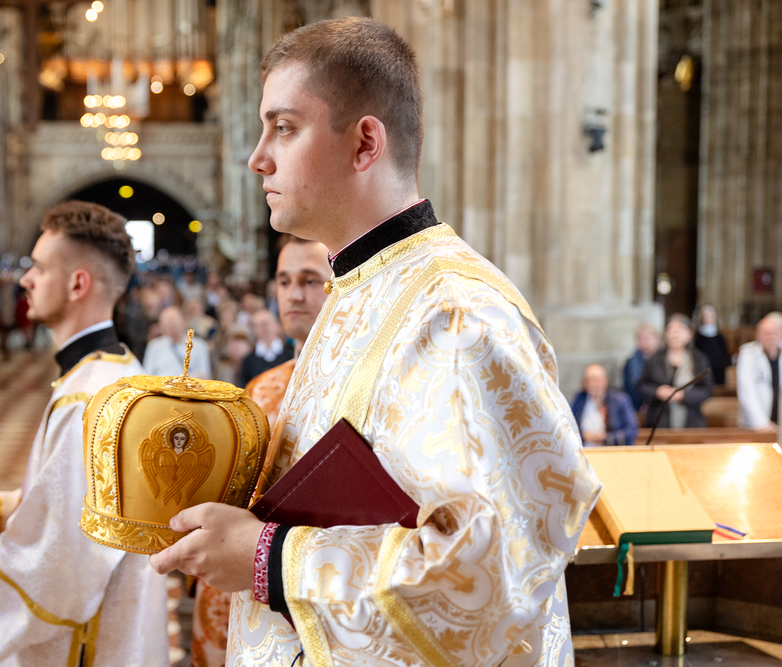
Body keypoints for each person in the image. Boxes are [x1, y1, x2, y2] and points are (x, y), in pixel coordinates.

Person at [149, 18, 600, 667]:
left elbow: (489, 571)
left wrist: (268, 559)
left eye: (283, 127)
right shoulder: (358, 289)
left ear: (365, 143)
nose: (258, 157)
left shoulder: (455, 315)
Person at [0, 201, 169, 666]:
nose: (26, 281)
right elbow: (86, 506)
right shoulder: (118, 370)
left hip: (91, 640)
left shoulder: (88, 398)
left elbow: (69, 557)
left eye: (39, 268)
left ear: (77, 284)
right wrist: (0, 509)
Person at [191, 236, 332, 667]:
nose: (294, 294)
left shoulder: (356, 386)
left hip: (317, 583)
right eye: (284, 281)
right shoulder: (261, 388)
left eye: (310, 281)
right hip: (244, 582)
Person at [639, 314, 715, 429]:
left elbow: (707, 390)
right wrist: (657, 391)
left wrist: (683, 395)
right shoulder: (655, 359)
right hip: (659, 420)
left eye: (680, 329)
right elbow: (642, 385)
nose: (674, 334)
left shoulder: (698, 359)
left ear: (689, 335)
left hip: (691, 419)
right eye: (670, 329)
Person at [570, 364, 638, 446]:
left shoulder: (620, 400)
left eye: (599, 380)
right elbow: (569, 426)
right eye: (592, 380)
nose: (596, 384)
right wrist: (583, 436)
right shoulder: (579, 400)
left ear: (606, 381)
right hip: (584, 448)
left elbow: (631, 431)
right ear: (585, 383)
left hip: (611, 449)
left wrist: (605, 438)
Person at [736, 312, 782, 432]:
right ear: (758, 335)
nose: (770, 337)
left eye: (774, 332)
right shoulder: (748, 353)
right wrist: (761, 423)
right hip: (754, 426)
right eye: (765, 333)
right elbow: (746, 390)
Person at [143, 306, 212, 379]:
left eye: (174, 323)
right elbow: (146, 375)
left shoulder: (199, 345)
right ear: (161, 327)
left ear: (182, 321)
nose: (172, 328)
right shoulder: (154, 346)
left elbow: (205, 375)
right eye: (167, 324)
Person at [236, 309, 294, 386]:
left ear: (276, 325)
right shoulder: (248, 361)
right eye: (258, 325)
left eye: (266, 324)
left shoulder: (292, 354)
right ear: (254, 330)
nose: (263, 329)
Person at [623, 322, 660, 411]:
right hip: (638, 406)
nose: (644, 341)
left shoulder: (663, 359)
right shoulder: (631, 362)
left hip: (659, 404)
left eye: (647, 338)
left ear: (656, 339)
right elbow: (629, 387)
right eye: (641, 338)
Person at [693, 304, 730, 386]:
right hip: (702, 373)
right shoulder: (696, 337)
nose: (708, 317)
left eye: (710, 314)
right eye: (705, 314)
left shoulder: (721, 338)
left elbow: (725, 356)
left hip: (719, 374)